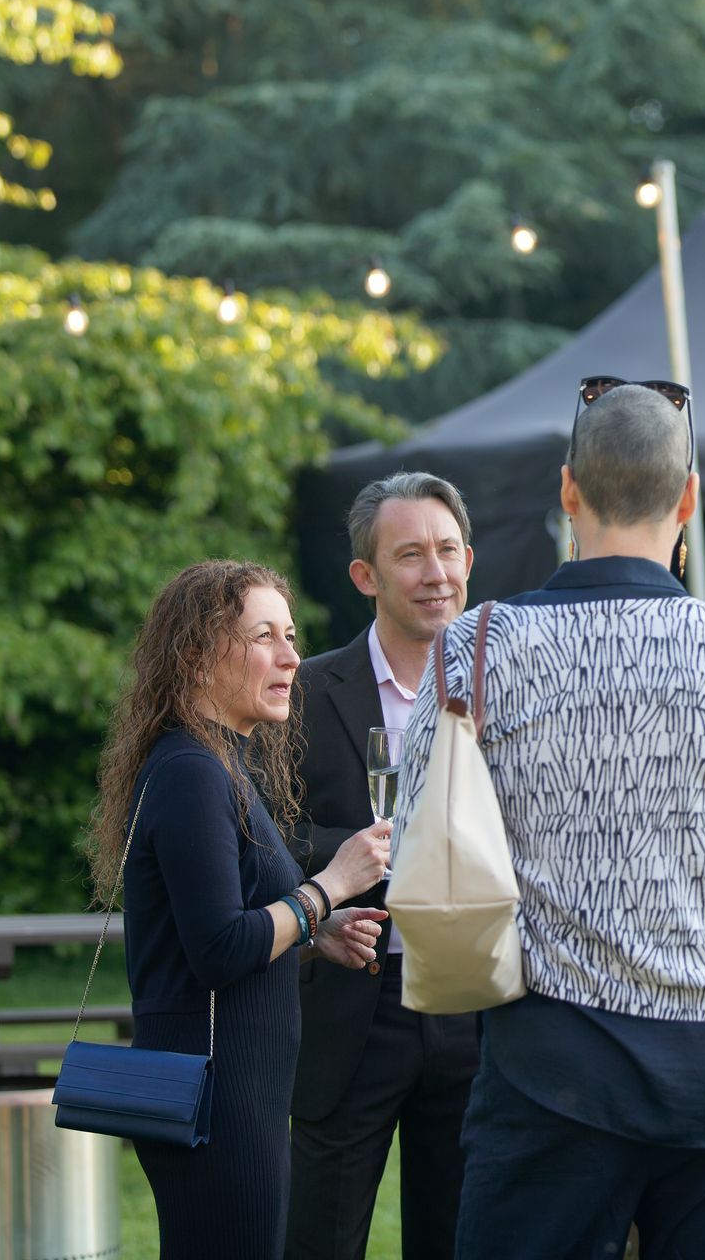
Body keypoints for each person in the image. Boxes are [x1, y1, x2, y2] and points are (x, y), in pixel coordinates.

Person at [394, 378, 705, 1259]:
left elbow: (419, 831)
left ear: (569, 490)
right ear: (688, 496)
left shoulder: (477, 645)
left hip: (552, 1063)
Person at [86, 560, 389, 1260]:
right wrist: (329, 888)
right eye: (264, 638)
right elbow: (220, 949)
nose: (291, 657)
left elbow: (232, 929)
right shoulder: (193, 772)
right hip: (214, 1101)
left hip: (235, 1094)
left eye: (290, 636)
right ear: (197, 655)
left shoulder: (218, 762)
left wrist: (316, 930)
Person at [287, 473, 479, 1260]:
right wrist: (350, 854)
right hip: (348, 1009)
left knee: (458, 1240)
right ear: (366, 576)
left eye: (445, 550)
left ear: (470, 558)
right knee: (320, 1242)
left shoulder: (512, 685)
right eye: (409, 555)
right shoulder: (304, 691)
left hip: (473, 1005)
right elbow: (263, 830)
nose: (434, 573)